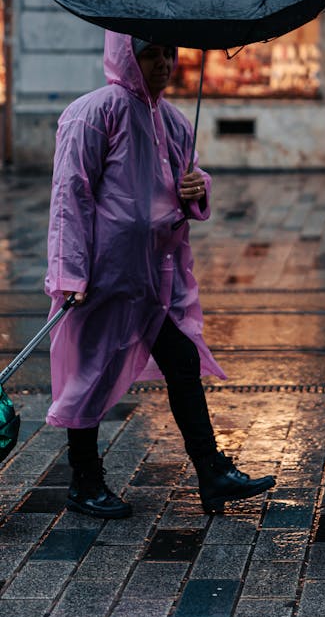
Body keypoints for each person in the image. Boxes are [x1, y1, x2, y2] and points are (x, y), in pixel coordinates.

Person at [45, 32, 275, 519]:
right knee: (91, 373)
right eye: (151, 53)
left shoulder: (170, 117)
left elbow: (181, 185)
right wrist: (70, 273)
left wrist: (196, 187)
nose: (163, 64)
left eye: (170, 53)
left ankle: (211, 472)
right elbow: (71, 196)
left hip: (157, 276)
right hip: (105, 276)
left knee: (182, 361)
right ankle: (85, 480)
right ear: (127, 55)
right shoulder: (94, 112)